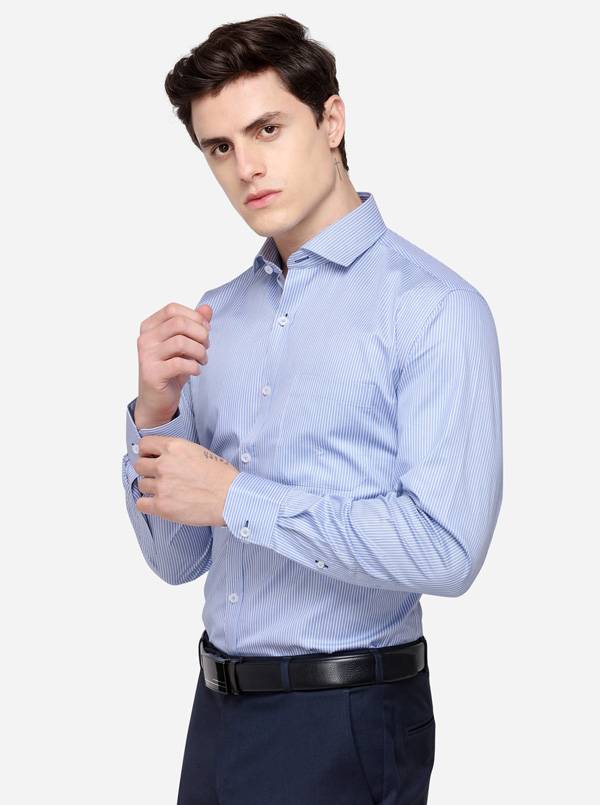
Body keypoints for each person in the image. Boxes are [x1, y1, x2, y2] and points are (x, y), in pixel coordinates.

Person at [121, 13, 503, 805]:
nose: (246, 167)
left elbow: (446, 549)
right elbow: (177, 560)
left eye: (268, 129)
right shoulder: (218, 314)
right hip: (215, 713)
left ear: (330, 120)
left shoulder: (433, 309)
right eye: (219, 147)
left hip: (347, 716)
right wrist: (156, 412)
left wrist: (237, 496)